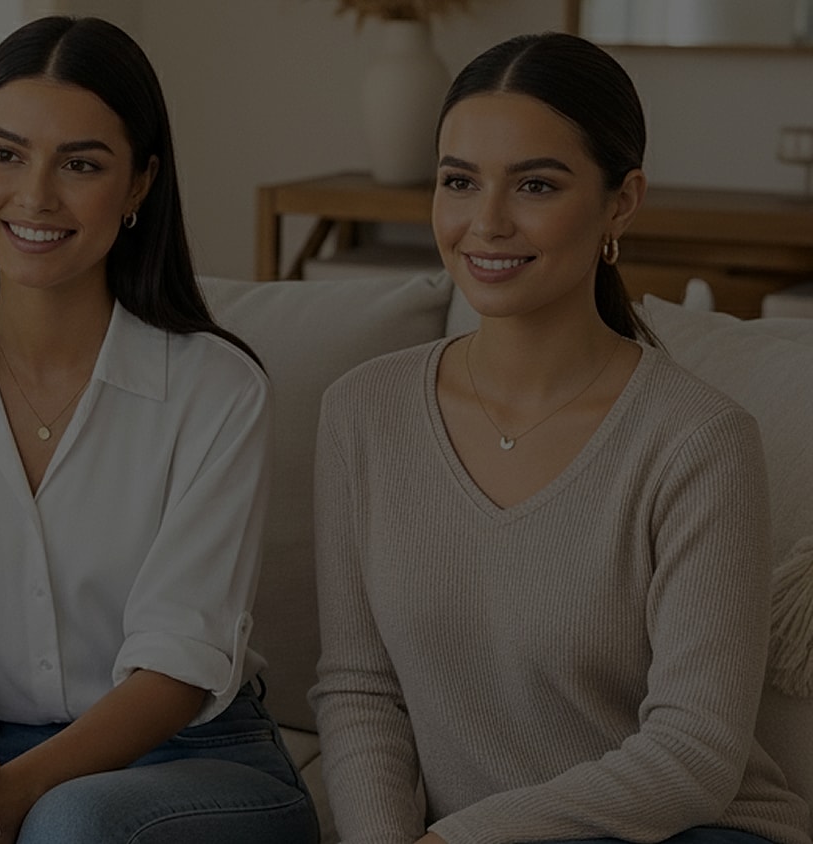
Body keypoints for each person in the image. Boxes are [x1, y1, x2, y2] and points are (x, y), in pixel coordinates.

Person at [310, 32, 811, 844]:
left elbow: (696, 751)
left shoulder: (700, 442)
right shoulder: (363, 412)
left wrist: (452, 841)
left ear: (622, 200)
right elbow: (361, 690)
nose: (487, 222)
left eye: (536, 184)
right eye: (459, 182)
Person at [0, 16, 318, 844]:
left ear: (139, 185)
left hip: (198, 760)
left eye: (82, 164)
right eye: (5, 153)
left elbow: (179, 658)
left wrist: (13, 795)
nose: (35, 195)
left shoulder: (215, 389)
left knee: (73, 823)